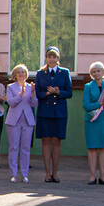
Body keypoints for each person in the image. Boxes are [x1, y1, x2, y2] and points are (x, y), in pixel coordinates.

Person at [34, 46, 72, 183]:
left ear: (58, 59)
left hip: (59, 112)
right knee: (46, 141)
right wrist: (47, 94)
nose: (52, 59)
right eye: (49, 57)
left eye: (54, 57)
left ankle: (55, 173)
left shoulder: (64, 72)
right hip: (45, 111)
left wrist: (58, 92)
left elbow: (70, 92)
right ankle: (47, 173)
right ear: (46, 58)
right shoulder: (40, 73)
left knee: (56, 141)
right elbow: (37, 92)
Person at [83, 61, 104, 186]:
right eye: (93, 71)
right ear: (91, 74)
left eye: (98, 71)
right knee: (92, 149)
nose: (96, 73)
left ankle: (103, 176)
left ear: (103, 72)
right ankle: (92, 176)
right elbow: (86, 106)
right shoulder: (88, 86)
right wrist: (100, 104)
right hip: (92, 121)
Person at [5, 64, 37, 183]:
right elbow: (11, 102)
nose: (21, 74)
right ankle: (13, 174)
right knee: (13, 147)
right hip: (14, 121)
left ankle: (25, 174)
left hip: (27, 120)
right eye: (19, 72)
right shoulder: (10, 87)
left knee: (25, 148)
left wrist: (32, 93)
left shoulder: (31, 87)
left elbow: (34, 104)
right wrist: (21, 93)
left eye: (23, 72)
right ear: (15, 75)